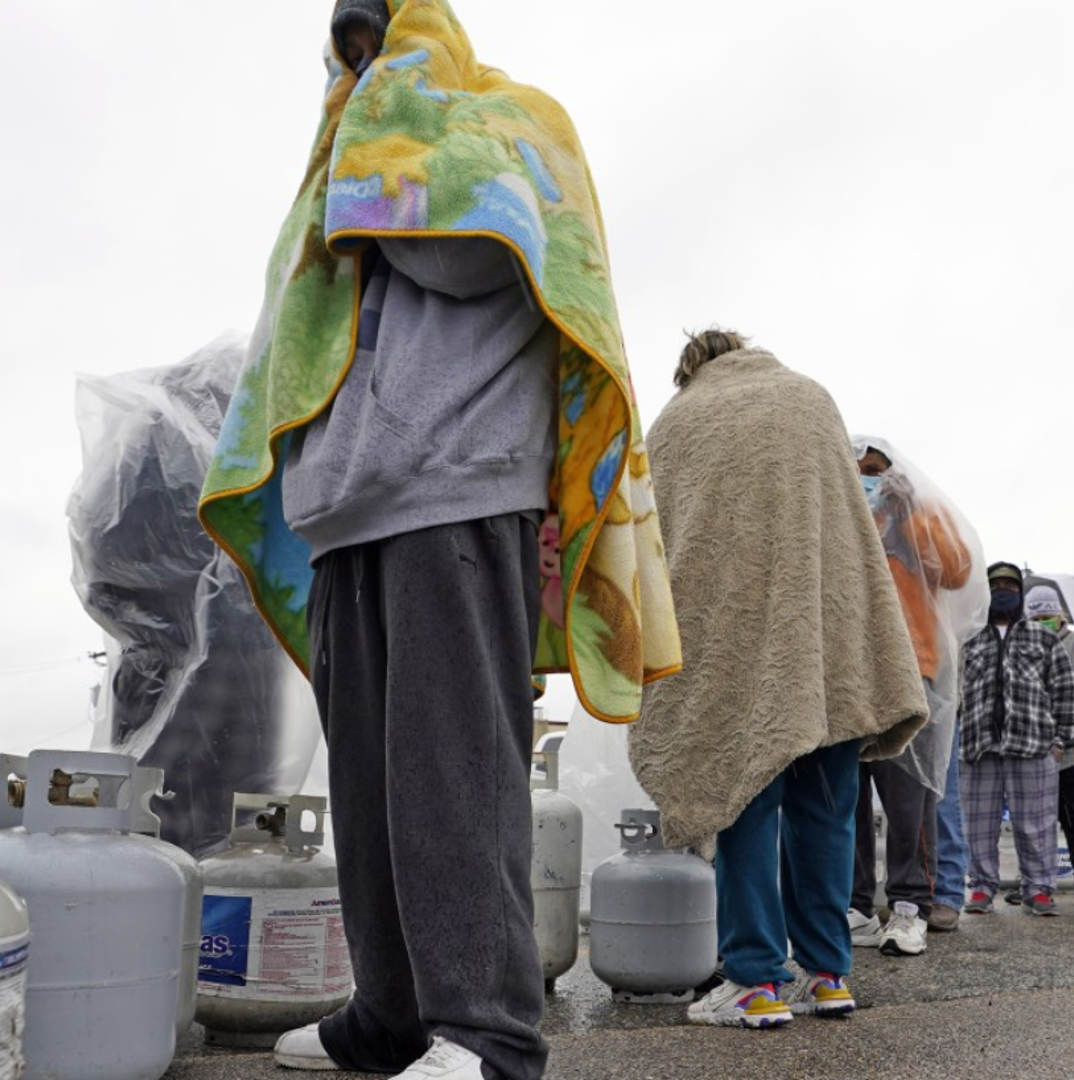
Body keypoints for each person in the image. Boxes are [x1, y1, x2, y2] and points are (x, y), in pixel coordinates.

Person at [197, 5, 681, 1077]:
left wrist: (373, 164)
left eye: (381, 36)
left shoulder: (509, 118)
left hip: (457, 488)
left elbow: (479, 255)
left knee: (452, 777)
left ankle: (487, 1033)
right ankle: (392, 1015)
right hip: (348, 510)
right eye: (350, 50)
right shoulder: (349, 155)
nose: (363, 64)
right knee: (369, 788)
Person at [629, 331, 928, 1029]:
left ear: (690, 369)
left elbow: (658, 533)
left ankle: (755, 982)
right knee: (827, 808)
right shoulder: (811, 399)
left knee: (739, 798)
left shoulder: (679, 421)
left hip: (730, 640)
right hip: (826, 644)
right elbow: (850, 530)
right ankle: (828, 976)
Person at [847, 437, 983, 946]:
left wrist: (908, 513)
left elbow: (958, 569)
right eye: (859, 470)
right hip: (849, 676)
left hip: (909, 672)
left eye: (877, 471)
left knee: (909, 798)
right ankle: (855, 908)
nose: (869, 480)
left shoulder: (913, 523)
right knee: (846, 800)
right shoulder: (841, 522)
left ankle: (909, 908)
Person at [958, 563, 1074, 917]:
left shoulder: (1042, 638)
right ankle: (981, 887)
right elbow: (953, 691)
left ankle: (1039, 889)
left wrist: (1061, 741)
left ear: (1020, 592)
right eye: (995, 584)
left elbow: (1064, 688)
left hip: (1033, 747)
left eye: (1011, 584)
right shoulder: (968, 637)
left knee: (1036, 825)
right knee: (978, 826)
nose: (1003, 590)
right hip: (978, 748)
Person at [1026, 586, 1074, 907]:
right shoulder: (1025, 649)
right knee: (1033, 823)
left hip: (1073, 752)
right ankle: (1035, 883)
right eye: (1035, 618)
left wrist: (1058, 735)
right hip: (1033, 752)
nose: (1042, 623)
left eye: (1046, 617)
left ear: (1059, 615)